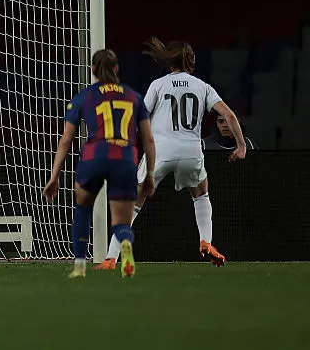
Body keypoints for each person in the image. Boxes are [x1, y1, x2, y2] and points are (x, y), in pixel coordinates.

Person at [97, 39, 247, 270]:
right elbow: (229, 116)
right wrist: (241, 146)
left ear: (169, 62)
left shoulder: (158, 85)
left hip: (160, 151)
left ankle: (111, 258)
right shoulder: (202, 86)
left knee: (133, 203)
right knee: (201, 194)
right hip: (191, 150)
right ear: (191, 61)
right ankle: (206, 241)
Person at [44, 49, 156, 279]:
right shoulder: (134, 97)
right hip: (124, 159)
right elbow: (149, 139)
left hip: (94, 157)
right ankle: (125, 245)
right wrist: (150, 174)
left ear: (93, 70)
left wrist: (54, 176)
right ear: (117, 69)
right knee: (121, 221)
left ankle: (79, 266)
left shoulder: (84, 97)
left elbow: (66, 141)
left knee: (83, 208)